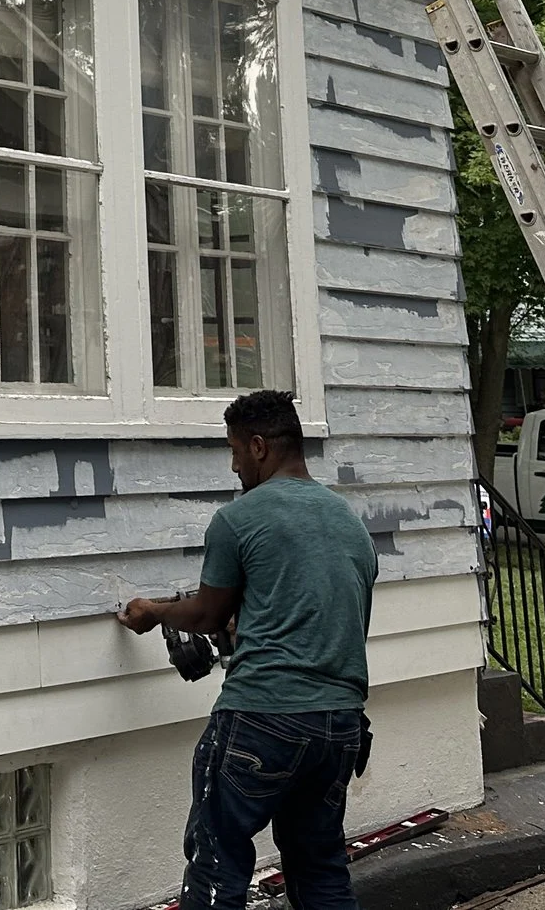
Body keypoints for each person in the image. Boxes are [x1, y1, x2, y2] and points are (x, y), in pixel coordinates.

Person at [117, 388, 378, 910]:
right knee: (320, 863)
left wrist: (154, 612)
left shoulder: (239, 518)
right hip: (339, 724)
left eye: (235, 451)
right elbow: (321, 615)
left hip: (264, 716)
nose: (234, 466)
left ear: (258, 447)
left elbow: (209, 614)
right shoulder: (350, 524)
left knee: (219, 863)